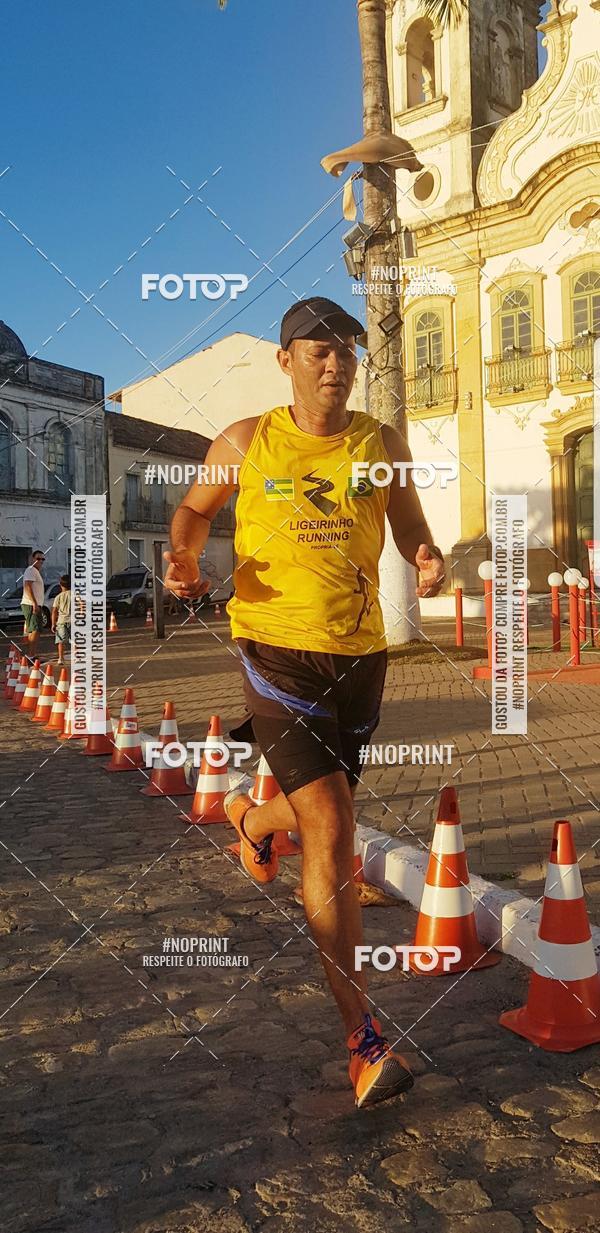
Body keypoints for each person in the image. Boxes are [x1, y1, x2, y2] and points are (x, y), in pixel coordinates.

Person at [165, 296, 445, 1109]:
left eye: (347, 351)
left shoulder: (380, 443)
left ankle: (253, 821)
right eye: (318, 350)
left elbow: (409, 525)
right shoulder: (246, 441)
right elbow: (191, 511)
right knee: (330, 822)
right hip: (274, 650)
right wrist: (183, 557)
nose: (337, 362)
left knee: (329, 810)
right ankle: (362, 1036)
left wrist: (426, 557)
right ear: (285, 360)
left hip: (359, 655)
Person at [21, 550, 46, 652]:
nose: (40, 561)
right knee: (34, 629)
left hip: (35, 604)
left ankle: (33, 654)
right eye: (38, 559)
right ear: (32, 559)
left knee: (37, 629)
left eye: (42, 559)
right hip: (31, 604)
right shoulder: (31, 570)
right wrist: (34, 603)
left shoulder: (35, 572)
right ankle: (30, 656)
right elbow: (28, 586)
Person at [51, 574, 71, 665]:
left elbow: (54, 611)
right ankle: (77, 656)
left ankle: (61, 658)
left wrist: (53, 623)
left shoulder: (58, 597)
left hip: (61, 621)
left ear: (61, 585)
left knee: (60, 641)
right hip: (73, 620)